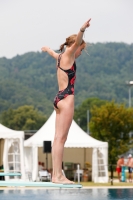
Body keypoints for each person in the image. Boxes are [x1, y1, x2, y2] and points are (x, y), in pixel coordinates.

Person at [41, 19, 91, 184]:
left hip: (58, 99)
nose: (80, 53)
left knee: (57, 138)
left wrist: (47, 49)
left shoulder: (60, 56)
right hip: (67, 98)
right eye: (80, 50)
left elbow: (52, 53)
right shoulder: (69, 54)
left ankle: (56, 175)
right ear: (74, 47)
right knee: (61, 139)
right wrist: (82, 30)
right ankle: (58, 176)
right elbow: (76, 42)